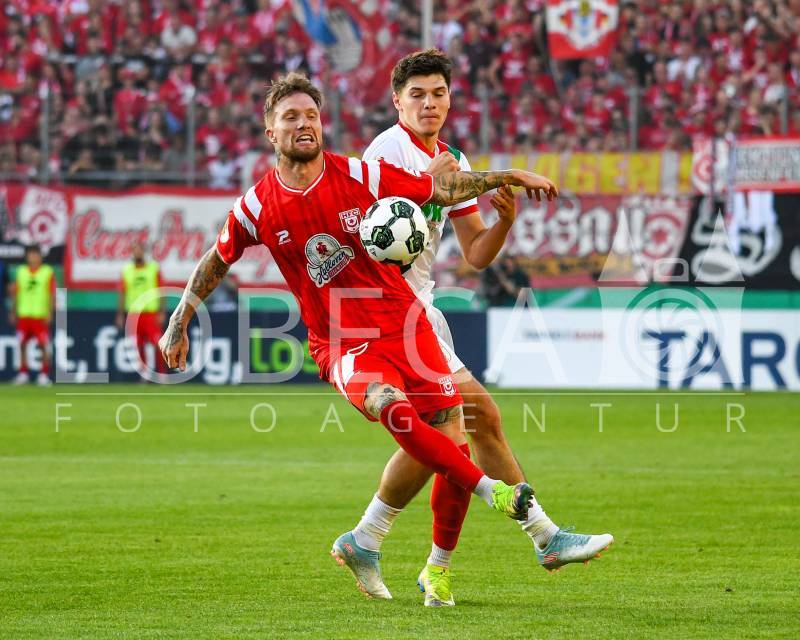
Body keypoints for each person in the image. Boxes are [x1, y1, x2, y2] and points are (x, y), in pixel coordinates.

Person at [159, 72, 566, 604]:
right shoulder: (257, 206)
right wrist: (179, 318)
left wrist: (508, 176)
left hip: (403, 323)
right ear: (270, 131)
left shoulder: (361, 175)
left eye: (311, 115)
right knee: (389, 404)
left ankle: (380, 548)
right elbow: (218, 258)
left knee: (452, 431)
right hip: (342, 341)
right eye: (290, 117)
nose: (304, 124)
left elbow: (442, 189)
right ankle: (498, 497)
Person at [350, 49, 613, 605]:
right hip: (391, 310)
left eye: (438, 93)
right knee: (475, 422)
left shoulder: (453, 156)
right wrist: (438, 183)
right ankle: (543, 536)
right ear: (397, 101)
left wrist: (503, 222)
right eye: (417, 94)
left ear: (450, 100)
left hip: (423, 309)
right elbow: (372, 233)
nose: (429, 103)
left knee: (449, 438)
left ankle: (382, 546)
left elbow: (474, 254)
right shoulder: (386, 151)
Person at [118, 241, 166, 378]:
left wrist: (162, 311)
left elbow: (161, 290)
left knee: (158, 344)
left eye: (139, 250)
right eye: (135, 250)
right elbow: (122, 293)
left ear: (144, 252)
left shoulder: (153, 268)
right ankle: (145, 375)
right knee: (138, 346)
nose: (137, 253)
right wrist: (120, 314)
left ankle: (161, 374)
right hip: (134, 314)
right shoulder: (127, 270)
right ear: (132, 253)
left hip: (150, 313)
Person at [11, 245, 55, 385]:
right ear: (27, 257)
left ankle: (44, 374)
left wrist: (50, 312)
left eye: (36, 254)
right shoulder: (21, 272)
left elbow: (52, 294)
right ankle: (23, 373)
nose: (33, 257)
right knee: (22, 344)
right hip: (24, 314)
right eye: (31, 255)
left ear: (40, 256)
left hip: (39, 315)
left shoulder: (47, 272)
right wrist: (13, 311)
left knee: (43, 345)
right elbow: (16, 293)